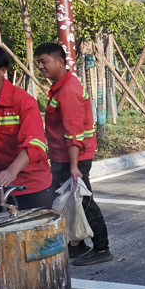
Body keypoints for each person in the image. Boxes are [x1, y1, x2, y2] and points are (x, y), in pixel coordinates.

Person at [34, 42, 113, 266]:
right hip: (64, 156)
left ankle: (101, 248)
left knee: (84, 200)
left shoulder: (67, 90)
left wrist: (74, 166)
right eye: (38, 62)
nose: (40, 66)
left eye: (44, 61)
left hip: (74, 156)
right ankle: (76, 245)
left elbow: (73, 131)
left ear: (60, 62)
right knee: (67, 200)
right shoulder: (63, 85)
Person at [0, 43, 52, 212]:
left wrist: (11, 171)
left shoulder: (23, 102)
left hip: (29, 188)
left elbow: (35, 145)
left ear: (2, 70)